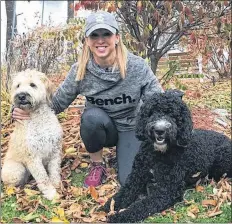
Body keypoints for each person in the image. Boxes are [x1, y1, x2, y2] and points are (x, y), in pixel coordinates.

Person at [12, 11, 163, 187]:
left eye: (106, 34)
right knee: (91, 117)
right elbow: (57, 103)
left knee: (129, 180)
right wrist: (23, 105)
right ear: (87, 40)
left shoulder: (137, 67)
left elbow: (158, 99)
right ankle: (97, 165)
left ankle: (126, 154)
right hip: (101, 127)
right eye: (94, 35)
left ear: (117, 38)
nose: (100, 40)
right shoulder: (80, 70)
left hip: (131, 127)